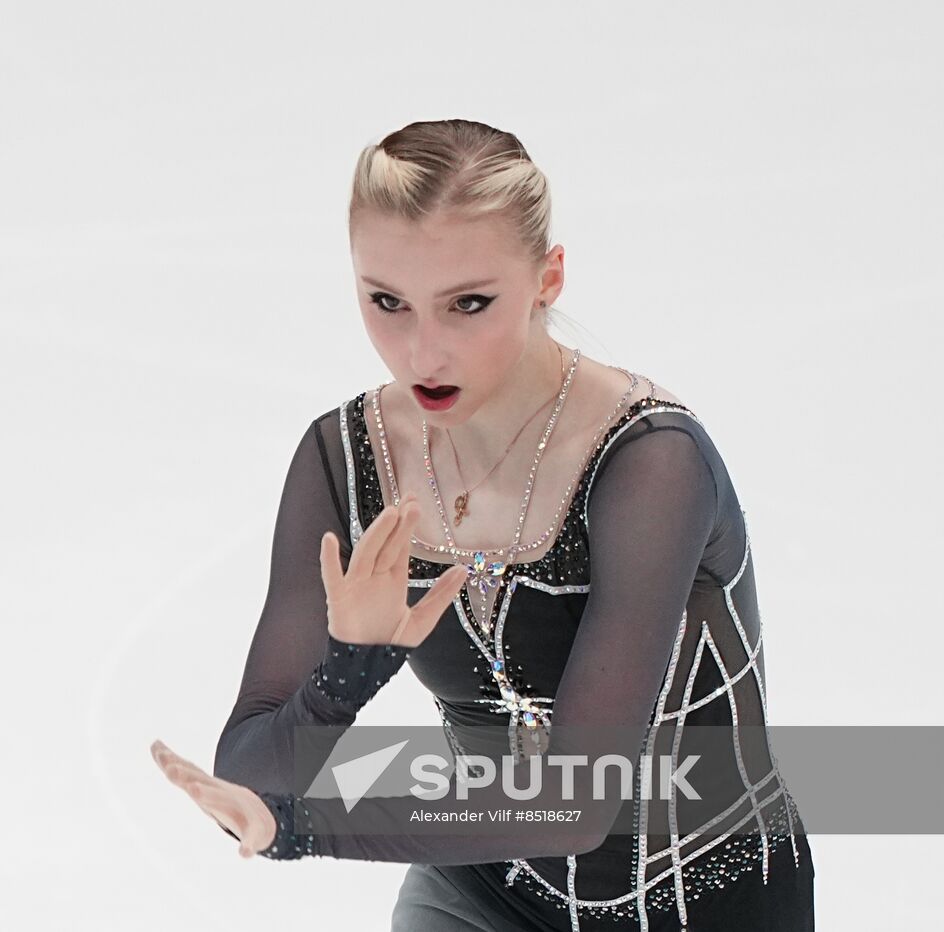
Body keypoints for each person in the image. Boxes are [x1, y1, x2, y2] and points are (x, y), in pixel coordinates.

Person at [150, 119, 814, 931]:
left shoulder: (651, 463)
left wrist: (304, 824)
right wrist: (353, 668)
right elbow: (249, 768)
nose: (423, 350)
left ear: (548, 277)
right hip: (479, 894)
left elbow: (576, 802)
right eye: (387, 301)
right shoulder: (346, 460)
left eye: (469, 304)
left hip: (705, 903)